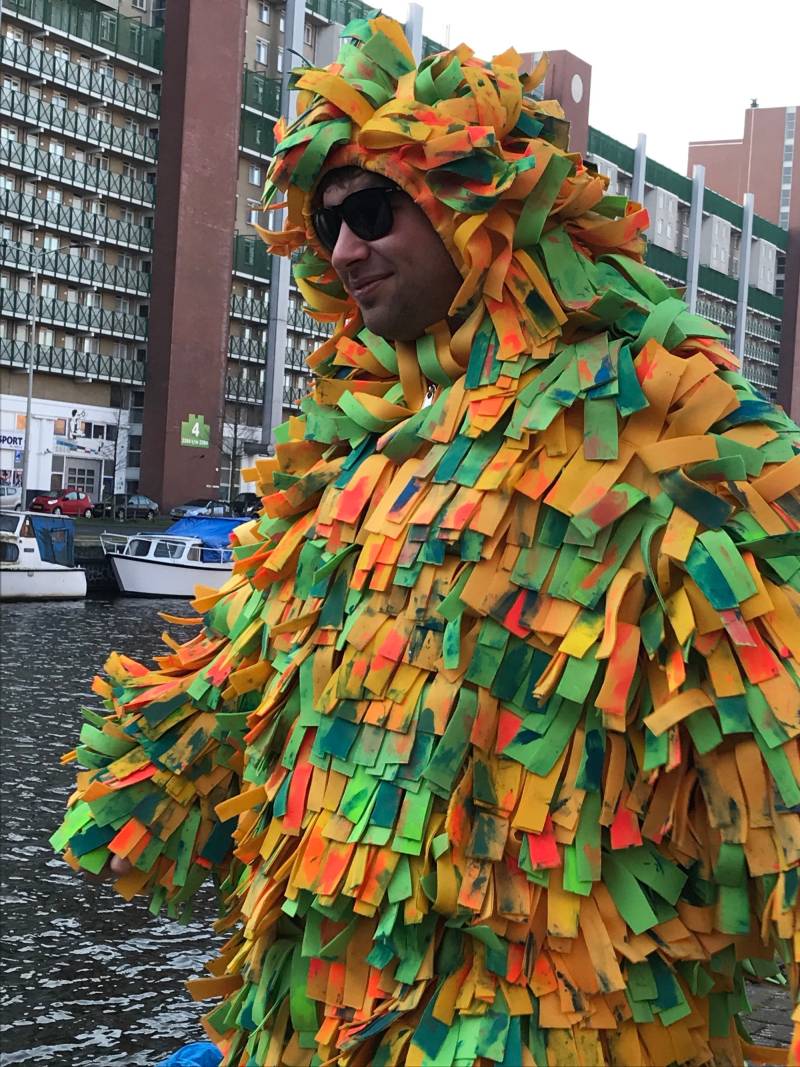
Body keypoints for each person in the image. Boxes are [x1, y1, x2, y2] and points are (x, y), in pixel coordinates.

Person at [53, 15, 800, 1067]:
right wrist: (148, 778)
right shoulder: (350, 451)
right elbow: (265, 668)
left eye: (370, 209)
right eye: (327, 228)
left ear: (474, 205)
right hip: (304, 1018)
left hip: (537, 1031)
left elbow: (777, 737)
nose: (345, 248)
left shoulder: (669, 427)